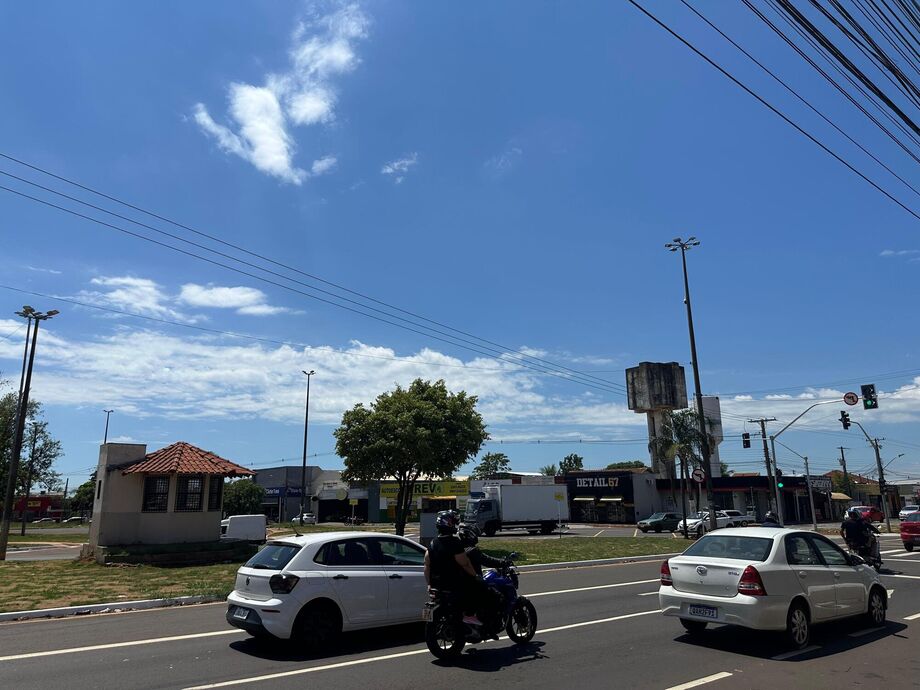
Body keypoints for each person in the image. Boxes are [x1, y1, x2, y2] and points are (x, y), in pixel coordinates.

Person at [424, 510, 483, 626]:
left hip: (437, 584)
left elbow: (426, 565)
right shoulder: (454, 542)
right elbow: (465, 563)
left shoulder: (432, 543)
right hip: (453, 582)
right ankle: (470, 615)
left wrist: (429, 584)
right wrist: (476, 576)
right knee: (480, 587)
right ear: (449, 525)